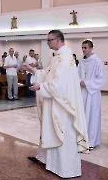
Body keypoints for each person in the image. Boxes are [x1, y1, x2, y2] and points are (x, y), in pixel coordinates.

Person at [24, 30, 89, 178]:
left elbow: (61, 84)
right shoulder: (58, 58)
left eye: (49, 40)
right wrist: (33, 70)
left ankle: (66, 169)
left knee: (63, 134)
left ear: (57, 40)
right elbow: (47, 74)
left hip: (62, 105)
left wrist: (41, 87)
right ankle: (51, 163)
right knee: (52, 131)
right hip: (55, 101)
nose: (47, 43)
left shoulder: (65, 59)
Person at [78, 40, 106, 150]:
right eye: (82, 48)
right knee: (82, 116)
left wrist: (88, 83)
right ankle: (81, 139)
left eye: (86, 48)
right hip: (82, 93)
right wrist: (79, 81)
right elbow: (77, 74)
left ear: (91, 48)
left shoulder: (97, 61)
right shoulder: (81, 61)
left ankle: (91, 142)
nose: (84, 50)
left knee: (92, 117)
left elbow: (101, 78)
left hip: (92, 94)